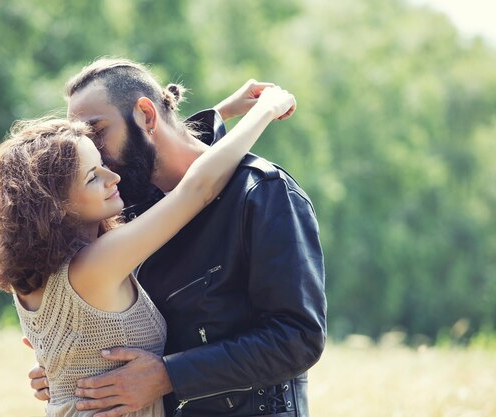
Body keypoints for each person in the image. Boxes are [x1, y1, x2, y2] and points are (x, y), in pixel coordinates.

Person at [28, 58, 327, 417]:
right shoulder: (124, 204)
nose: (94, 151)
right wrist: (73, 366)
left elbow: (297, 338)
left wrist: (167, 376)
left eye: (98, 131)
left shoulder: (261, 193)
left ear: (147, 115)